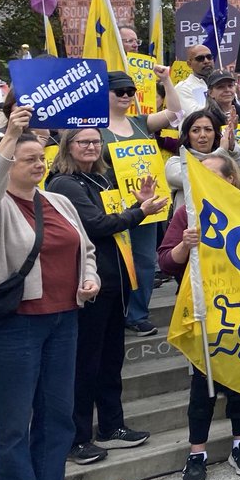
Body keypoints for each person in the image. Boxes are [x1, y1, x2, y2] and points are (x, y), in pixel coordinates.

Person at [0, 109, 99, 480]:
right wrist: (9, 135)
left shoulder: (59, 201)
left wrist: (89, 278)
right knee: (13, 424)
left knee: (56, 416)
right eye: (29, 158)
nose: (39, 163)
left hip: (64, 320)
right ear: (8, 161)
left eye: (41, 156)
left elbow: (86, 250)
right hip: (14, 325)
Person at [46, 127, 167, 465]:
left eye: (96, 142)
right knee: (85, 363)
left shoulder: (99, 179)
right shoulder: (64, 183)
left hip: (114, 280)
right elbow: (97, 225)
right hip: (89, 285)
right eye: (83, 141)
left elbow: (112, 220)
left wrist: (136, 204)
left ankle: (111, 425)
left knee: (111, 359)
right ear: (67, 146)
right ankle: (77, 437)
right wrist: (140, 213)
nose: (91, 147)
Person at [157, 154, 240, 480]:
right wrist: (184, 247)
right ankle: (196, 453)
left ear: (231, 179)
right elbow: (165, 262)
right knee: (203, 387)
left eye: (213, 174)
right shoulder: (187, 214)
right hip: (203, 314)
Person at [100, 69, 180, 338]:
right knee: (115, 262)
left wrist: (166, 80)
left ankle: (137, 314)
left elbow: (174, 112)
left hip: (147, 206)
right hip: (112, 204)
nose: (126, 96)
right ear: (105, 94)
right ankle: (114, 314)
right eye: (119, 91)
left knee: (145, 261)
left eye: (130, 92)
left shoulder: (140, 122)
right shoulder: (94, 126)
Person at [164, 109, 240, 211]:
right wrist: (221, 151)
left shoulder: (226, 157)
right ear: (187, 135)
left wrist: (233, 148)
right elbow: (199, 176)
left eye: (208, 130)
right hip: (188, 224)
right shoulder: (175, 163)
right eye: (195, 130)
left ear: (216, 134)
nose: (203, 135)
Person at [175, 44, 216, 117]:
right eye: (200, 58)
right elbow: (194, 115)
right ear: (189, 64)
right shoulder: (182, 88)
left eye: (209, 57)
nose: (206, 61)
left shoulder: (223, 84)